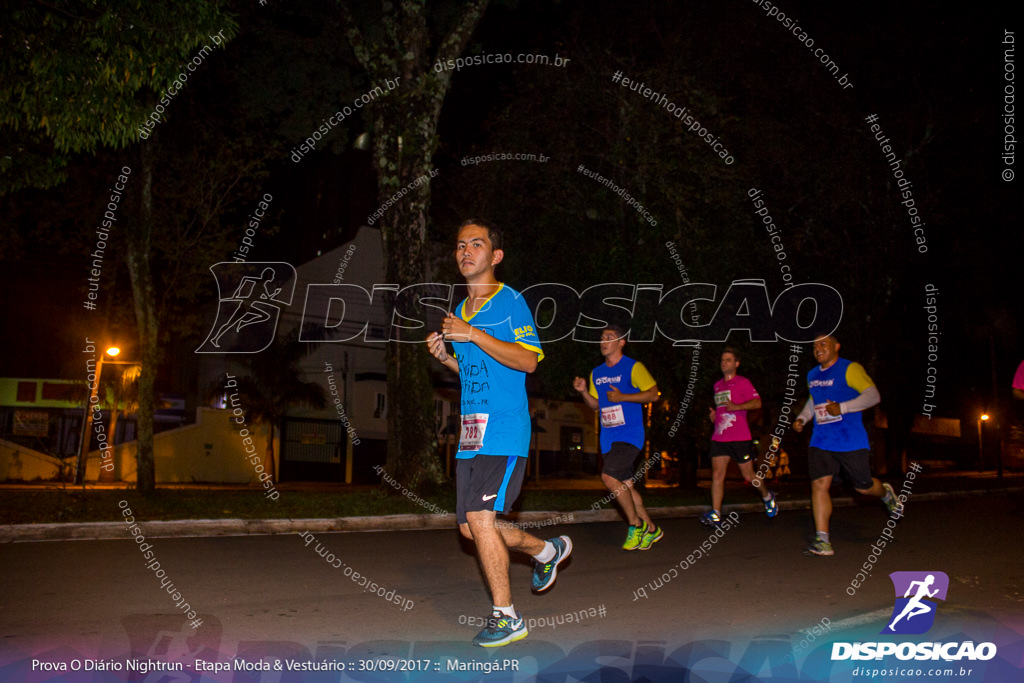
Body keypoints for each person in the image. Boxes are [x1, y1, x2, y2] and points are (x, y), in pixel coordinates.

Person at [426, 219, 571, 647]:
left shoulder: (510, 302)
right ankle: (546, 551)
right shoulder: (462, 310)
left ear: (496, 256)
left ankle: (506, 616)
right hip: (472, 435)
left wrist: (470, 334)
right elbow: (476, 372)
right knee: (473, 529)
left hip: (505, 429)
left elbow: (527, 361)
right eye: (459, 245)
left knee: (480, 518)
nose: (465, 251)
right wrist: (447, 358)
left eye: (476, 244)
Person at [793, 333, 902, 556]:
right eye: (815, 346)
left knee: (862, 487)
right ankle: (822, 540)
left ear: (836, 346)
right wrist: (803, 418)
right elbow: (814, 401)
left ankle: (886, 494)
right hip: (821, 439)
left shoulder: (850, 369)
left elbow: (873, 396)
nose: (818, 348)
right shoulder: (812, 374)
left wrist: (843, 407)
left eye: (823, 344)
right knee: (819, 485)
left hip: (849, 439)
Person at [573, 324, 663, 550]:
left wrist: (624, 396)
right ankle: (652, 529)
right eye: (602, 337)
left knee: (609, 477)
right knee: (626, 486)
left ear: (621, 342)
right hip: (608, 437)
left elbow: (653, 394)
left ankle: (635, 525)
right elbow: (595, 405)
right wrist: (584, 391)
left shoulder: (633, 367)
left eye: (609, 337)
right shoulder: (597, 373)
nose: (603, 341)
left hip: (630, 435)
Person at [700, 347, 778, 527]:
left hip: (740, 437)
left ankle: (767, 496)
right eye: (722, 360)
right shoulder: (718, 385)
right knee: (718, 475)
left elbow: (757, 402)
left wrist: (737, 407)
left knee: (749, 475)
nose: (724, 363)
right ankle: (716, 513)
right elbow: (723, 410)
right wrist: (715, 417)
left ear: (736, 364)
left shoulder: (743, 382)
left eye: (728, 360)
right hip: (720, 437)